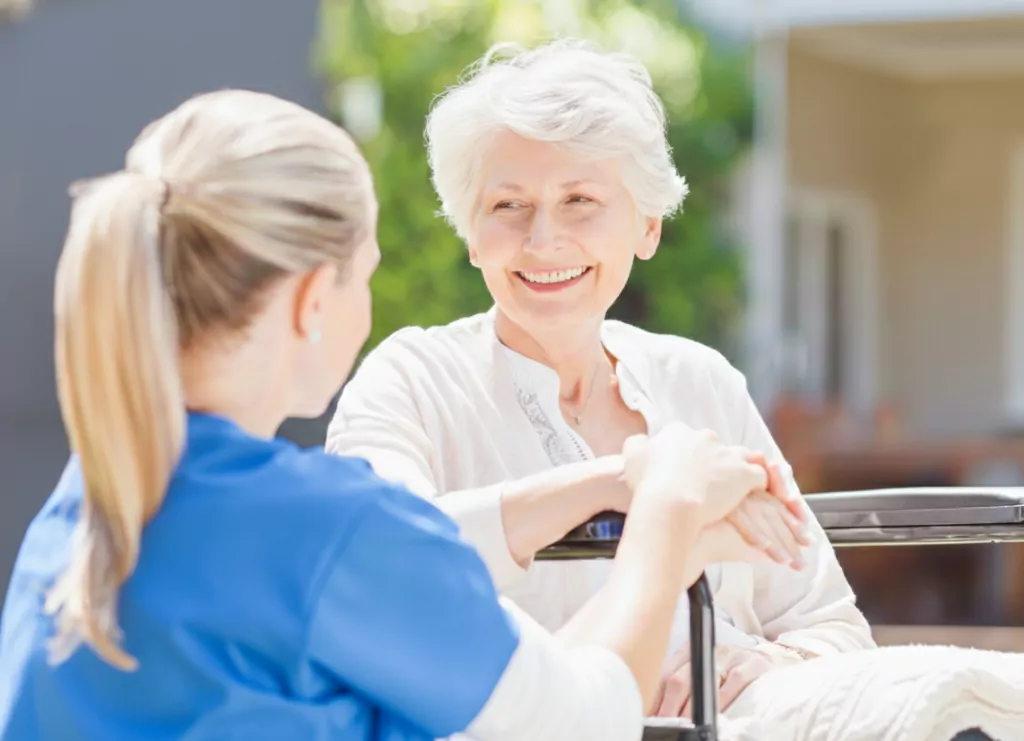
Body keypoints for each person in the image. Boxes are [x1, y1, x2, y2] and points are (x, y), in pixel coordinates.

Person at [0, 89, 788, 741]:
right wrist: (667, 509)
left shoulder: (86, 509)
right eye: (366, 275)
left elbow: (513, 704)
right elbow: (582, 720)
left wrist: (610, 481)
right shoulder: (329, 532)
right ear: (314, 300)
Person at [325, 39, 876, 717]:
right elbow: (381, 564)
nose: (542, 240)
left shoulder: (701, 382)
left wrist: (762, 663)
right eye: (507, 206)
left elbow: (834, 626)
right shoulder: (409, 380)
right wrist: (627, 481)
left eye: (580, 199)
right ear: (471, 232)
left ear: (647, 225)